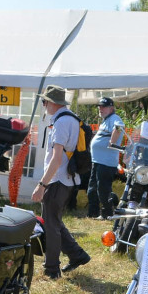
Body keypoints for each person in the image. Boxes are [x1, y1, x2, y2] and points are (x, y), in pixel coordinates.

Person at [31, 85, 91, 279]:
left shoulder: (61, 123)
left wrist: (42, 185)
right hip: (66, 179)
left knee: (50, 226)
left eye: (44, 102)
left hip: (57, 181)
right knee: (54, 221)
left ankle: (52, 270)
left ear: (50, 102)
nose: (44, 105)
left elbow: (56, 159)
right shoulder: (70, 118)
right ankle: (77, 255)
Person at [87, 97, 125, 220]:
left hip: (106, 163)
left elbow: (119, 128)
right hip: (98, 161)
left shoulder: (115, 119)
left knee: (103, 190)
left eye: (103, 106)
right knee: (92, 189)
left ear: (111, 108)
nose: (100, 108)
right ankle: (92, 213)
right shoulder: (106, 120)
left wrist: (112, 143)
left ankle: (107, 213)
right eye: (99, 106)